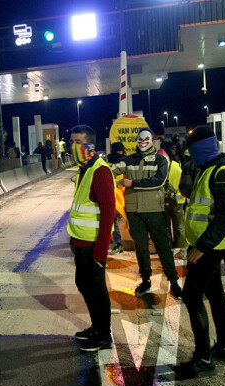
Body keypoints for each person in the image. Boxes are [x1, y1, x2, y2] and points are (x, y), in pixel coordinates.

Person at [180, 125, 225, 377]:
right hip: (205, 244)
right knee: (216, 294)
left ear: (203, 148)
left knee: (192, 297)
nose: (191, 156)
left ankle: (204, 358)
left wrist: (203, 246)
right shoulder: (207, 168)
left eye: (193, 150)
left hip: (210, 247)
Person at [111, 128, 182, 299]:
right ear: (136, 141)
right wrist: (87, 174)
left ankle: (173, 282)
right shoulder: (129, 160)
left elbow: (159, 181)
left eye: (146, 138)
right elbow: (109, 170)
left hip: (155, 211)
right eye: (140, 139)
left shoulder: (160, 160)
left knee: (163, 248)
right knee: (141, 249)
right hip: (134, 212)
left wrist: (132, 183)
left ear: (152, 140)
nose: (142, 142)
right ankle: (146, 280)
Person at [67, 125, 116, 352]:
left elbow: (108, 215)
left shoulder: (100, 170)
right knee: (83, 284)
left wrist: (101, 252)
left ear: (90, 145)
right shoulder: (83, 170)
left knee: (96, 288)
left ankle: (104, 336)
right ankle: (96, 327)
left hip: (93, 245)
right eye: (72, 142)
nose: (73, 146)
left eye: (78, 142)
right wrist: (73, 239)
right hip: (81, 243)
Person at [161, 140, 187, 260]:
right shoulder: (177, 166)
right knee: (179, 226)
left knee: (165, 226)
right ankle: (182, 250)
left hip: (164, 201)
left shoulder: (160, 167)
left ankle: (168, 249)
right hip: (178, 201)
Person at [107, 142, 127, 255]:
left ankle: (116, 243)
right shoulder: (125, 163)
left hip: (115, 197)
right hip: (119, 197)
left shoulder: (111, 163)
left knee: (111, 220)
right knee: (112, 220)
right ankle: (114, 242)